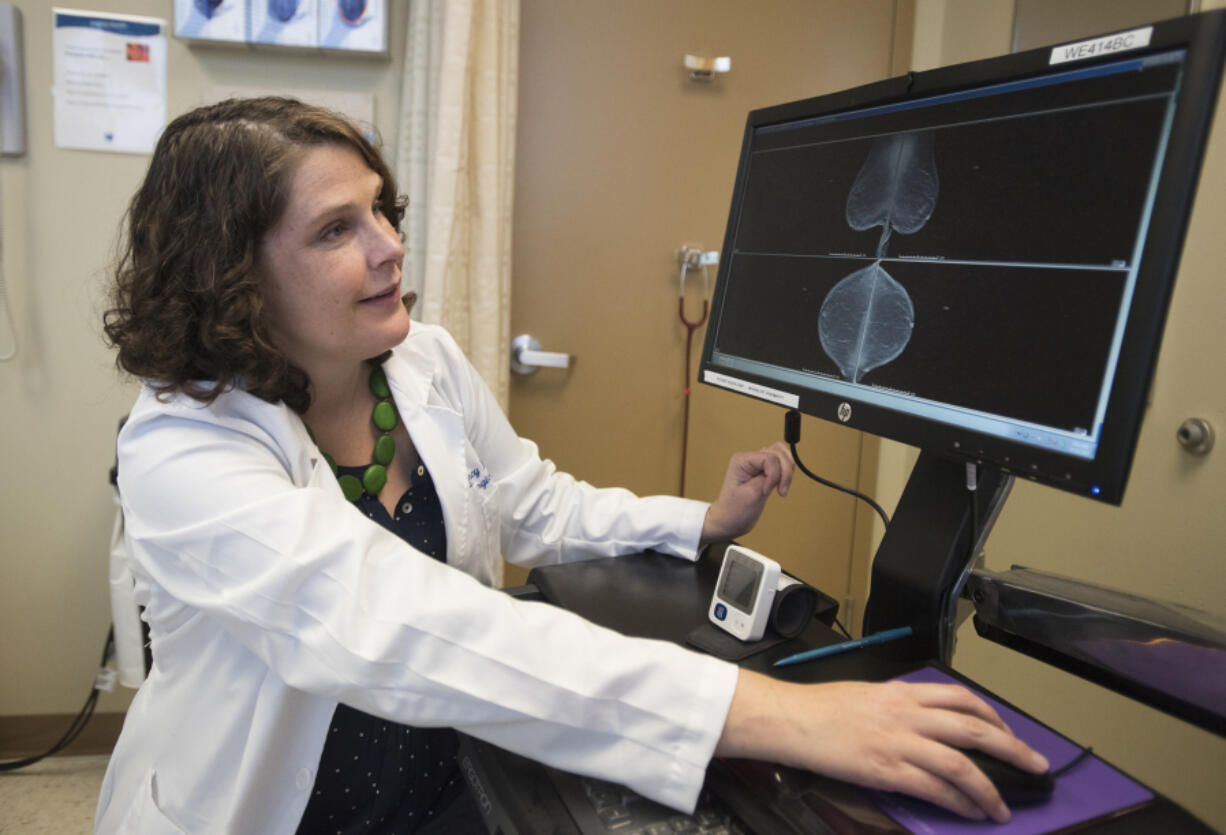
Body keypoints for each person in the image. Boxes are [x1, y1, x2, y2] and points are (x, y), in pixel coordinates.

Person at [96, 97, 1046, 834]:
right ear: (233, 274)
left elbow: (529, 505)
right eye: (336, 230)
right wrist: (774, 714)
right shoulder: (184, 446)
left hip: (451, 782)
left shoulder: (419, 362)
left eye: (381, 210)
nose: (390, 246)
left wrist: (695, 524)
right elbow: (395, 621)